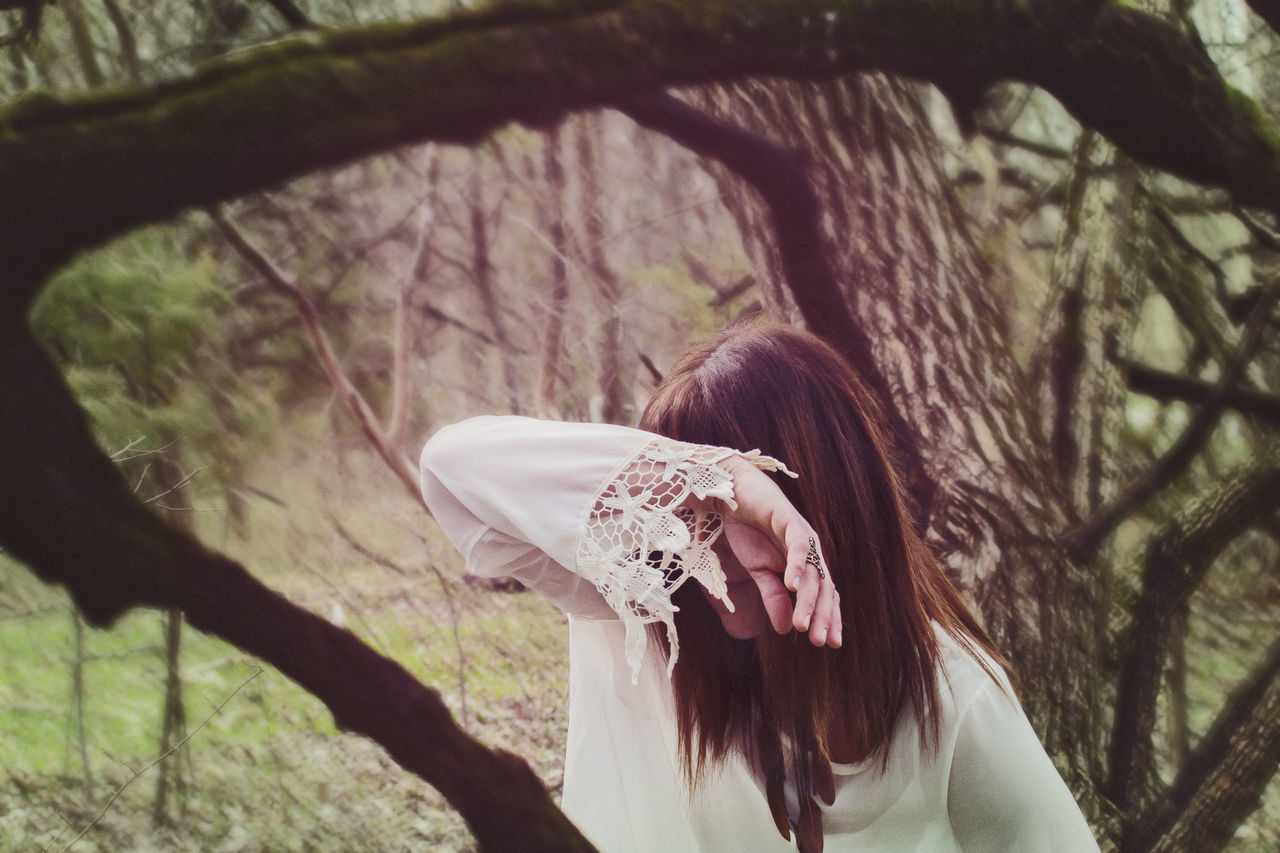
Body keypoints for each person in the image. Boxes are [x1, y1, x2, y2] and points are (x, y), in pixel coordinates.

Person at [419, 323, 1100, 852]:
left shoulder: (952, 699)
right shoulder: (652, 607)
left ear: (832, 503)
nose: (718, 545)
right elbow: (451, 468)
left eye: (749, 512)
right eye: (696, 513)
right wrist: (725, 481)